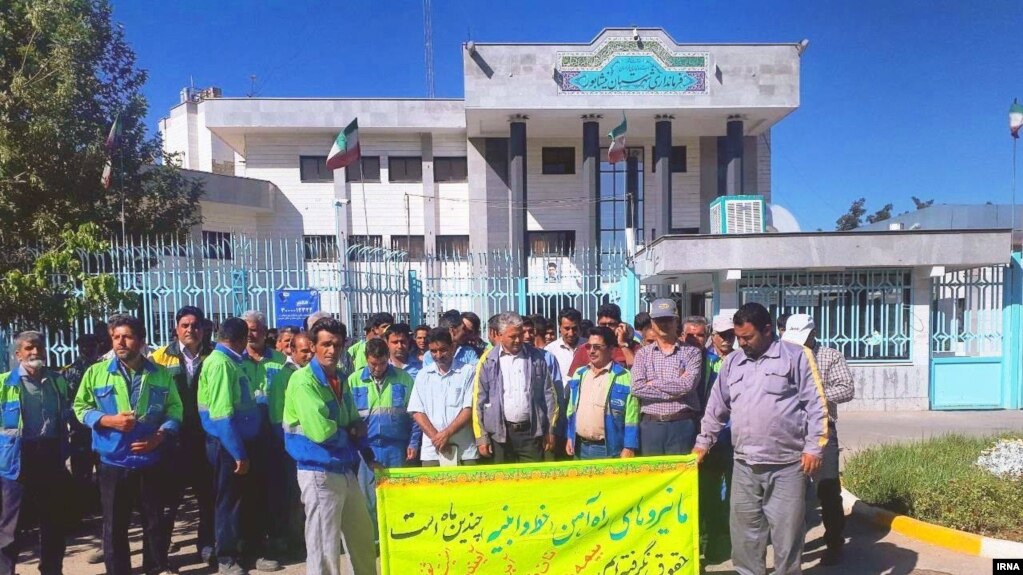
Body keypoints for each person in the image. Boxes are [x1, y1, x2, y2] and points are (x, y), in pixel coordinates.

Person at [694, 303, 829, 575]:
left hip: (787, 466)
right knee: (745, 537)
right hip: (744, 465)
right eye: (738, 338)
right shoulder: (732, 362)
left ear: (767, 330)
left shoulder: (796, 357)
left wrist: (814, 448)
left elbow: (816, 405)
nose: (741, 344)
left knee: (787, 536)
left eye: (747, 338)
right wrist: (702, 443)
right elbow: (716, 406)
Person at [75, 314, 183, 575]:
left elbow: (175, 409)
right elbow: (80, 407)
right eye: (116, 337)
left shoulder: (159, 374)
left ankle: (156, 567)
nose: (120, 342)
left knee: (154, 521)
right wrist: (108, 420)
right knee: (114, 526)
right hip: (113, 462)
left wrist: (160, 436)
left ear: (141, 340)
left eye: (127, 336)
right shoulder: (96, 372)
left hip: (150, 460)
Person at [283, 317, 376, 575]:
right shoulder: (303, 381)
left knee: (363, 538)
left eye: (336, 345)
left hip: (344, 468)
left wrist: (354, 430)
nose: (331, 350)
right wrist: (351, 431)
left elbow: (353, 420)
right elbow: (321, 432)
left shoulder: (340, 378)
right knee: (325, 548)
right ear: (313, 346)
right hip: (318, 470)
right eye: (325, 344)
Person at [782, 314, 855, 566]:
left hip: (823, 431)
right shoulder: (783, 354)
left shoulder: (830, 356)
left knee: (827, 489)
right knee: (793, 493)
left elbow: (846, 389)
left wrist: (814, 394)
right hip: (791, 432)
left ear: (813, 333)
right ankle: (793, 548)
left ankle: (834, 542)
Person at [0, 331, 73, 575]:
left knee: (53, 522)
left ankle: (52, 570)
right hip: (17, 460)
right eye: (29, 348)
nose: (35, 353)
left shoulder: (57, 380)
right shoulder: (4, 384)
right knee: (11, 526)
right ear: (18, 354)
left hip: (51, 456)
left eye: (39, 347)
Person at [150, 305, 217, 565]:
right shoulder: (159, 359)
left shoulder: (213, 357)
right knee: (167, 504)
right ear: (176, 328)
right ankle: (160, 556)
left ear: (203, 329)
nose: (191, 329)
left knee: (208, 498)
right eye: (185, 325)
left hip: (204, 440)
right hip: (171, 444)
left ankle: (208, 546)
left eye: (195, 325)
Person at [198, 317, 265, 575]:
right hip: (227, 446)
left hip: (238, 443)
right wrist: (238, 453)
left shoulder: (231, 361)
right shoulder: (221, 364)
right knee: (228, 503)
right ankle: (226, 557)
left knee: (242, 501)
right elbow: (222, 415)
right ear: (240, 340)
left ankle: (245, 552)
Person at [350, 338, 420, 534]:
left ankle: (397, 536)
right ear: (366, 359)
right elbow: (349, 418)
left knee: (396, 496)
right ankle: (373, 540)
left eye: (382, 363)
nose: (378, 368)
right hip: (366, 449)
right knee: (368, 499)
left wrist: (413, 442)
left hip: (396, 448)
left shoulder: (403, 378)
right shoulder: (354, 381)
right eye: (373, 363)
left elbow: (414, 414)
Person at [472, 312, 558, 463]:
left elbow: (549, 395)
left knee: (532, 479)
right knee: (502, 482)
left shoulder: (536, 358)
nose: (519, 340)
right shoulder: (487, 361)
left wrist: (550, 430)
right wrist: (481, 438)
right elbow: (479, 400)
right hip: (499, 435)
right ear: (500, 335)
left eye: (520, 334)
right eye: (513, 336)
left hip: (531, 434)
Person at [239, 310, 288, 569]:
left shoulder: (281, 361)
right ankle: (250, 548)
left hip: (275, 436)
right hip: (246, 439)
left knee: (275, 493)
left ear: (264, 331)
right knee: (249, 494)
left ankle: (274, 544)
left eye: (255, 329)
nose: (251, 334)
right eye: (246, 329)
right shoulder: (235, 361)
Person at [630, 299, 704, 455]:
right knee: (652, 476)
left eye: (668, 319)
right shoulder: (643, 354)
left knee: (681, 476)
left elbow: (687, 386)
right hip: (651, 426)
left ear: (676, 321)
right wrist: (675, 388)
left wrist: (652, 384)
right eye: (659, 320)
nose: (664, 324)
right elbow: (636, 388)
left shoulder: (692, 352)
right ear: (652, 322)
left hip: (682, 424)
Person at [267, 331, 314, 555]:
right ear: (292, 351)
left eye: (311, 349)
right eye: (304, 351)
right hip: (293, 449)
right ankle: (295, 541)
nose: (309, 355)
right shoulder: (282, 377)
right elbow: (278, 418)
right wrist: (290, 448)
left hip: (316, 448)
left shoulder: (317, 373)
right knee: (294, 497)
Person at [697, 314, 737, 565]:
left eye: (731, 335)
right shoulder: (703, 361)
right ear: (713, 336)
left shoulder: (742, 360)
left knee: (737, 494)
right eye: (722, 335)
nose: (726, 339)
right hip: (711, 438)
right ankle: (708, 542)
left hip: (737, 438)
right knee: (709, 494)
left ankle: (733, 541)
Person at [564, 327, 638, 460]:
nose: (591, 351)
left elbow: (631, 417)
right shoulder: (579, 374)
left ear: (611, 350)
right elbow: (571, 410)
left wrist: (629, 446)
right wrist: (570, 437)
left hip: (608, 449)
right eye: (588, 346)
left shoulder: (625, 377)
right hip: (579, 447)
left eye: (597, 347)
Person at [408, 328, 479, 466]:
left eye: (443, 350)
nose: (438, 355)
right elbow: (417, 411)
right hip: (432, 450)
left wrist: (447, 433)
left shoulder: (468, 372)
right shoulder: (423, 375)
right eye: (433, 351)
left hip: (464, 450)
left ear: (452, 347)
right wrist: (437, 438)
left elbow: (468, 409)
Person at [61, 334, 100, 525]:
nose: (87, 349)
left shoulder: (105, 368)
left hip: (103, 430)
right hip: (80, 432)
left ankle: (101, 509)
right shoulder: (69, 372)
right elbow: (67, 403)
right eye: (83, 346)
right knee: (81, 475)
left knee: (105, 474)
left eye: (91, 345)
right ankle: (79, 514)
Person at [567, 304, 639, 374]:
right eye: (603, 324)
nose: (607, 328)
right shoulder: (586, 348)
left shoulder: (633, 346)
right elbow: (574, 378)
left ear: (619, 325)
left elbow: (637, 370)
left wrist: (623, 344)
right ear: (598, 324)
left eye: (611, 324)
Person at [544, 307, 582, 381]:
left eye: (574, 328)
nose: (571, 333)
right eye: (567, 329)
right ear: (560, 327)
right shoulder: (550, 350)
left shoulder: (589, 346)